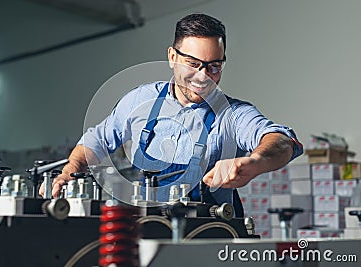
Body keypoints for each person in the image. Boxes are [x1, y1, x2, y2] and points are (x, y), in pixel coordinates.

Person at [40, 13, 303, 207]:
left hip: (211, 234)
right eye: (193, 63)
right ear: (172, 57)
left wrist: (255, 162)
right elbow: (96, 140)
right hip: (148, 226)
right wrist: (70, 170)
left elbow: (280, 139)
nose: (203, 76)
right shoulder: (139, 100)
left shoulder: (233, 115)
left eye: (214, 66)